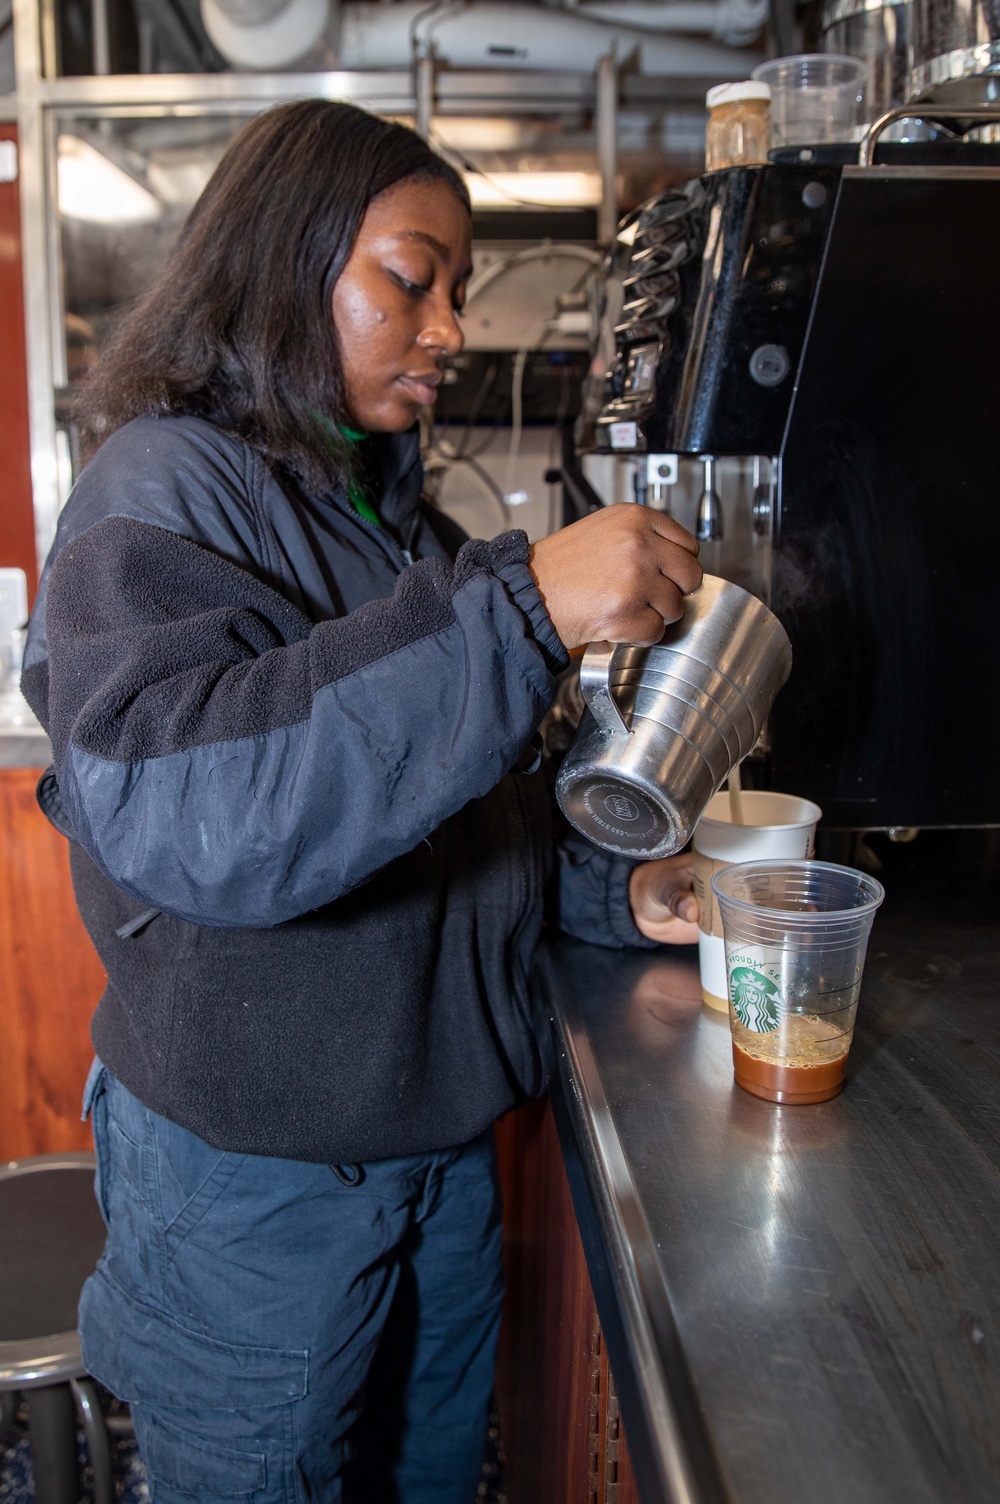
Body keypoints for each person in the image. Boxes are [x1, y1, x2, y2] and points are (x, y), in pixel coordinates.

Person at [23, 100, 702, 1503]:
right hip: (257, 1179)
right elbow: (188, 805)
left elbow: (451, 811)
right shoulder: (157, 490)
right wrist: (519, 608)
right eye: (412, 278)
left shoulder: (392, 516)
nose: (449, 328)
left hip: (432, 1145)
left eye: (457, 288)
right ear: (289, 260)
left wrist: (615, 890)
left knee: (428, 1478)